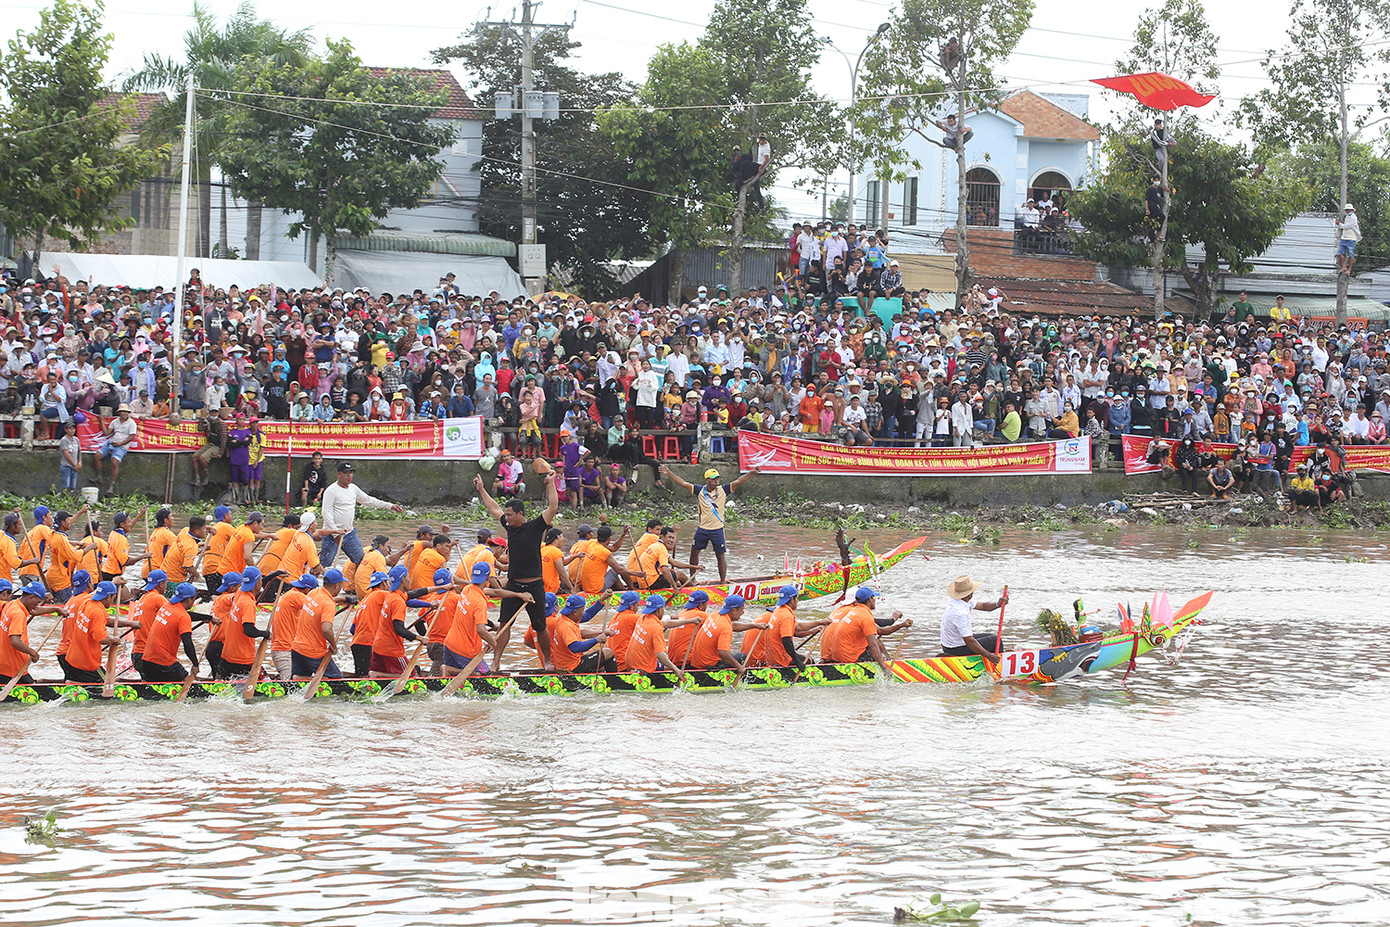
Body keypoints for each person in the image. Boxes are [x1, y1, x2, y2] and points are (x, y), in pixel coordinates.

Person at [473, 467, 560, 672]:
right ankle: (495, 663)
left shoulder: (535, 526)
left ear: (521, 514)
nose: (507, 518)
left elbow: (553, 507)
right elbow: (494, 508)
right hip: (513, 585)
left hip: (534, 586)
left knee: (540, 627)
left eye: (511, 515)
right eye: (507, 515)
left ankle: (547, 661)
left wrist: (552, 483)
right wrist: (482, 490)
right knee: (504, 625)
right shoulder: (509, 526)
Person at [657, 464, 762, 581]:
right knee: (694, 553)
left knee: (720, 556)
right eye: (713, 479)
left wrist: (751, 473)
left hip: (717, 529)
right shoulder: (699, 490)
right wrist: (669, 473)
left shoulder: (724, 489)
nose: (716, 481)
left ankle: (722, 581)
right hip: (702, 529)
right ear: (707, 480)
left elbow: (738, 481)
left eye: (717, 478)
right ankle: (693, 580)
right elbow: (683, 483)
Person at [319, 462, 403, 569]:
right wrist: (336, 534)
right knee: (323, 565)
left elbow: (369, 500)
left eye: (351, 473)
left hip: (349, 534)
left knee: (362, 561)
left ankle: (357, 583)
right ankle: (311, 583)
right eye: (346, 473)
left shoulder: (353, 488)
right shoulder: (331, 490)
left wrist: (389, 506)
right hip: (331, 534)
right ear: (338, 474)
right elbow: (326, 513)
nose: (349, 476)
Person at [742, 585, 829, 671]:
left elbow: (797, 628)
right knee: (809, 661)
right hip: (778, 659)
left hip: (770, 657)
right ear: (792, 600)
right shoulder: (786, 615)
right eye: (797, 598)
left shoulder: (778, 611)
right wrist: (797, 660)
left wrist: (817, 626)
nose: (797, 601)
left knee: (798, 656)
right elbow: (786, 640)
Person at [0, 583, 64, 686]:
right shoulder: (18, 614)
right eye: (38, 602)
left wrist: (56, 609)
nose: (37, 605)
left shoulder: (10, 604)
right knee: (44, 697)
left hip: (3, 664)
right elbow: (15, 640)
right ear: (31, 597)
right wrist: (32, 653)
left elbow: (34, 611)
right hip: (13, 668)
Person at [688, 594, 769, 673]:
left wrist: (754, 625)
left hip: (698, 662)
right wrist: (739, 667)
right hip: (708, 665)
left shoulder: (715, 614)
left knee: (733, 657)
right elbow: (723, 652)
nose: (743, 612)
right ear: (733, 610)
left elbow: (733, 625)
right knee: (742, 657)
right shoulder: (725, 628)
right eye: (741, 610)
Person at [291, 567, 348, 680]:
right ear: (336, 585)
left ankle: (298, 678)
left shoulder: (313, 592)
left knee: (299, 682)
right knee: (337, 680)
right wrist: (334, 646)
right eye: (341, 584)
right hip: (313, 652)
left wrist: (344, 599)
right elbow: (326, 629)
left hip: (297, 648)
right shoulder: (328, 603)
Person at [939, 574, 1008, 665]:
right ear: (969, 593)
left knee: (990, 636)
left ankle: (992, 660)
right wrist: (989, 655)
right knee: (995, 641)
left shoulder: (959, 600)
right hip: (955, 649)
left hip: (953, 643)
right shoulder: (960, 613)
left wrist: (997, 604)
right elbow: (969, 640)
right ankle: (997, 664)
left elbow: (983, 606)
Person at [140, 582, 202, 682]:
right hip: (164, 662)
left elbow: (185, 615)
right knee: (190, 685)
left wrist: (209, 618)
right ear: (189, 599)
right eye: (193, 600)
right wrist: (195, 664)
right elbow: (187, 644)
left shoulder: (165, 607)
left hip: (147, 661)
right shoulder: (183, 617)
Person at [622, 594, 690, 679]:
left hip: (631, 664)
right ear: (659, 610)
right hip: (643, 668)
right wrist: (676, 671)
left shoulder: (643, 618)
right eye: (663, 608)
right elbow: (660, 655)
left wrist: (690, 621)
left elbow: (666, 623)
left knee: (667, 665)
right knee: (671, 665)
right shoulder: (655, 627)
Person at [94, 404, 138, 492]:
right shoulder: (115, 421)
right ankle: (99, 476)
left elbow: (131, 437)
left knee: (115, 462)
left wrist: (120, 443)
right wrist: (102, 421)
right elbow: (107, 433)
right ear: (119, 413)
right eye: (123, 411)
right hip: (111, 442)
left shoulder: (132, 423)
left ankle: (111, 485)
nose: (125, 413)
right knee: (97, 456)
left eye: (126, 412)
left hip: (122, 446)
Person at [1336, 203, 1360, 275]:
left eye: (1349, 210)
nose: (1348, 211)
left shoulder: (1353, 218)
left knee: (1351, 254)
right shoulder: (1347, 217)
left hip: (1351, 238)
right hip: (1344, 237)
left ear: (1352, 210)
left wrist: (1339, 224)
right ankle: (1344, 266)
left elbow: (1346, 226)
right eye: (1347, 210)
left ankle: (1349, 269)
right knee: (1340, 253)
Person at [58, 421, 81, 493]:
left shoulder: (76, 439)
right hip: (66, 465)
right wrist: (75, 464)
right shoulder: (64, 440)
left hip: (75, 466)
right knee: (66, 485)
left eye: (73, 428)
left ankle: (68, 499)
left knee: (72, 486)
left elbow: (79, 451)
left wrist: (80, 462)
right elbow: (66, 453)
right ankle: (64, 499)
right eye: (70, 429)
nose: (72, 430)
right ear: (66, 430)